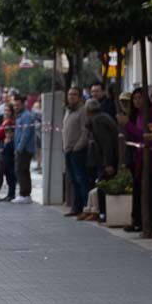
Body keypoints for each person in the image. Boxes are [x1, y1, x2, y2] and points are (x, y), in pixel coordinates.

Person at [61, 88, 89, 216]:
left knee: (81, 179)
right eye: (70, 94)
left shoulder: (82, 111)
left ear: (79, 97)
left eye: (74, 95)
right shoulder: (68, 110)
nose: (71, 97)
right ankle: (76, 207)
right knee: (73, 180)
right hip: (68, 150)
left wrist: (77, 147)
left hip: (78, 151)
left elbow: (85, 131)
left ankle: (85, 207)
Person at [12, 93, 36, 203]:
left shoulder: (26, 116)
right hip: (21, 147)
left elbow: (26, 134)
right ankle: (25, 193)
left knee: (20, 170)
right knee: (23, 171)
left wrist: (19, 148)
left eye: (18, 105)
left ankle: (24, 193)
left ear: (23, 104)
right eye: (15, 105)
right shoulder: (20, 115)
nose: (16, 107)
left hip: (25, 149)